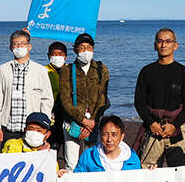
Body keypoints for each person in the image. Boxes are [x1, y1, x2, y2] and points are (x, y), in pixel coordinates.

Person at [134, 28, 185, 168]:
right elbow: (139, 102)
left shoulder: (184, 73)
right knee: (147, 170)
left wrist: (174, 125)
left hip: (177, 129)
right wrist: (151, 123)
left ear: (175, 45)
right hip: (153, 129)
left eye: (168, 41)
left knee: (181, 171)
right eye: (160, 41)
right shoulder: (146, 71)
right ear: (154, 45)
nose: (164, 45)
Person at [0, 30, 54, 148]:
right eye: (16, 44)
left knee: (32, 162)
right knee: (8, 161)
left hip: (33, 128)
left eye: (23, 44)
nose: (19, 47)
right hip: (9, 128)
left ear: (29, 47)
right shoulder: (3, 69)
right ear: (10, 47)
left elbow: (47, 100)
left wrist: (44, 126)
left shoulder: (40, 70)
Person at [57, 33, 110, 171]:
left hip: (94, 124)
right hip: (72, 123)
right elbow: (65, 100)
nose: (85, 51)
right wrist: (82, 120)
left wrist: (91, 122)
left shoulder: (101, 69)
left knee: (94, 162)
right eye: (81, 48)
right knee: (71, 164)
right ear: (75, 50)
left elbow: (102, 98)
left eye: (89, 47)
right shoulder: (67, 71)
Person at [73, 116, 141, 172]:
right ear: (100, 135)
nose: (109, 139)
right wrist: (66, 176)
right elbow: (77, 178)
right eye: (105, 134)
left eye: (114, 135)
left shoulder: (132, 159)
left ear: (122, 136)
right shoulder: (88, 156)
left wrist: (151, 172)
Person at [45, 42, 68, 148]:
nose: (57, 56)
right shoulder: (43, 71)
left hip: (67, 113)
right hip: (50, 113)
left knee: (68, 145)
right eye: (54, 54)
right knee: (50, 146)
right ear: (48, 55)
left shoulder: (71, 70)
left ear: (66, 57)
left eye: (60, 53)